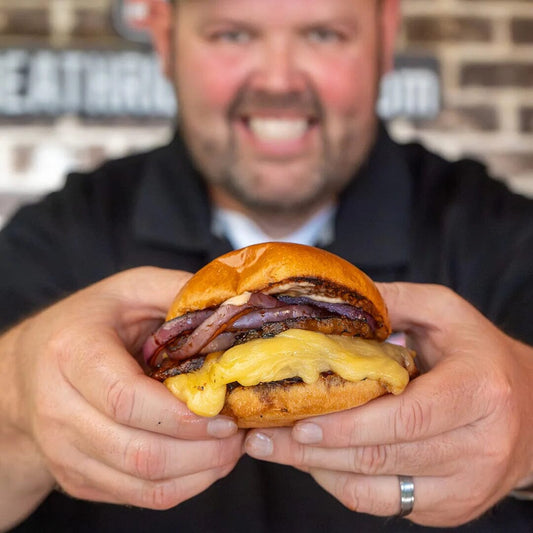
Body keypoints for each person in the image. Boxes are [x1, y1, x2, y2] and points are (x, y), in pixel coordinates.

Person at [0, 0, 531, 531]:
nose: (279, 81)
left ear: (385, 35)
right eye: (232, 34)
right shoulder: (63, 231)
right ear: (164, 36)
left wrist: (527, 429)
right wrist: (17, 402)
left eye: (324, 34)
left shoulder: (498, 229)